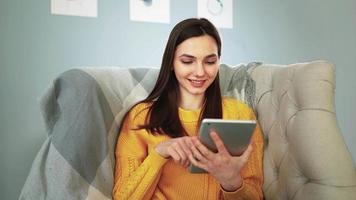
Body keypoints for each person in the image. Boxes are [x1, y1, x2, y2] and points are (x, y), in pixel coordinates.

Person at [112, 18, 264, 200]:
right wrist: (159, 153)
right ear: (171, 63)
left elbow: (255, 196)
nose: (200, 72)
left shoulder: (240, 115)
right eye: (187, 61)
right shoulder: (141, 117)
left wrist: (231, 180)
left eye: (209, 62)